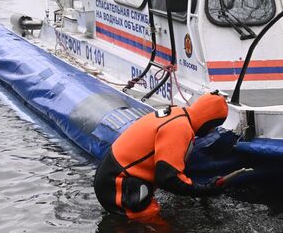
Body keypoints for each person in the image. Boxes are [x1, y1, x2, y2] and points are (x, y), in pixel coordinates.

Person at [94, 92, 229, 219]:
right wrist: (204, 190)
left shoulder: (177, 113)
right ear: (208, 122)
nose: (213, 131)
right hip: (118, 182)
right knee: (156, 228)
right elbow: (167, 178)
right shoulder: (179, 128)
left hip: (114, 176)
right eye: (214, 126)